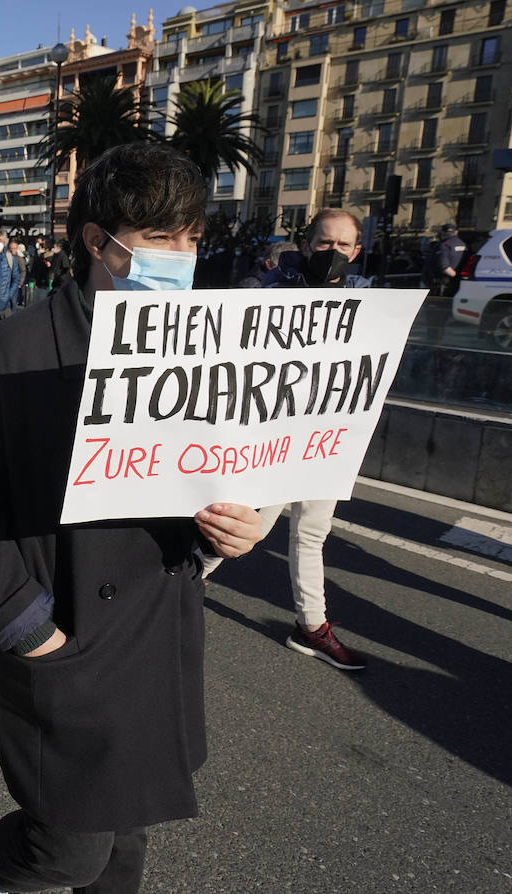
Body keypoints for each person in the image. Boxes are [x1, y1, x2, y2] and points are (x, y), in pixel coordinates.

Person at [0, 142, 264, 894]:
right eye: (159, 237)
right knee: (67, 847)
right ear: (97, 243)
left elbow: (224, 477)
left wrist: (233, 532)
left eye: (191, 238)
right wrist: (27, 623)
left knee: (126, 844)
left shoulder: (199, 353)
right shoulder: (16, 351)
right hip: (62, 625)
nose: (181, 256)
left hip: (154, 631)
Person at [207, 208, 371, 673]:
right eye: (325, 243)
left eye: (343, 245)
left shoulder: (367, 304)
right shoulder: (270, 292)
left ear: (356, 252)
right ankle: (190, 576)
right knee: (254, 524)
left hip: (328, 436)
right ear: (305, 244)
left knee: (312, 533)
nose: (333, 252)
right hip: (277, 435)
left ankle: (312, 627)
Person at [425, 223, 467, 299]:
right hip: (462, 283)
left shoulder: (444, 245)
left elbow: (444, 267)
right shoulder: (464, 245)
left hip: (445, 283)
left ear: (443, 232)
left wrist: (456, 277)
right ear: (456, 232)